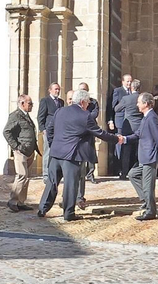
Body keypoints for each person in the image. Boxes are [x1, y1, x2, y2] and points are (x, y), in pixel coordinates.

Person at [36, 90, 116, 221]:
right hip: (72, 156)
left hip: (56, 153)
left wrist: (53, 144)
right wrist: (116, 139)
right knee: (70, 185)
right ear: (83, 102)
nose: (88, 105)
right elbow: (100, 133)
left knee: (51, 182)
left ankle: (42, 209)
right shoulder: (85, 116)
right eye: (87, 103)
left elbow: (50, 129)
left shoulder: (60, 111)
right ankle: (68, 213)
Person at [118, 93, 158, 220]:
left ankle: (150, 211)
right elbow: (138, 133)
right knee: (133, 174)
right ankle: (145, 199)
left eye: (139, 102)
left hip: (150, 155)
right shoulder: (146, 117)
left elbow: (157, 137)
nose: (137, 104)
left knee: (148, 186)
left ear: (146, 104)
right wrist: (125, 139)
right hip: (144, 156)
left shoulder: (152, 118)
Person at [2, 95, 38, 213]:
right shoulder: (16, 115)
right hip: (21, 151)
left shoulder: (26, 116)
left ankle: (21, 202)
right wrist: (16, 146)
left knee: (26, 177)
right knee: (21, 175)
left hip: (29, 151)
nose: (31, 105)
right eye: (30, 103)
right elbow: (6, 131)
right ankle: (13, 200)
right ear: (22, 103)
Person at [108, 74, 134, 176]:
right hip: (120, 122)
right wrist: (110, 120)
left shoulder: (133, 92)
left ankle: (127, 169)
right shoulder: (118, 91)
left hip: (131, 123)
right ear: (122, 82)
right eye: (127, 81)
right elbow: (112, 106)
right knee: (119, 145)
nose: (129, 83)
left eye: (130, 81)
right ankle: (118, 169)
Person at [35, 82, 64, 164]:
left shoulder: (61, 102)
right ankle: (46, 174)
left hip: (58, 131)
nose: (57, 91)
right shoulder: (45, 100)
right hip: (48, 130)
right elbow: (40, 116)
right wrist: (43, 129)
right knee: (48, 152)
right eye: (56, 89)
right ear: (50, 90)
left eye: (58, 89)